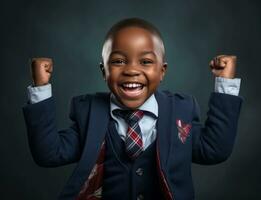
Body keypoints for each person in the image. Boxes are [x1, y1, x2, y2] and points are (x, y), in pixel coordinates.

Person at [22, 18, 243, 200]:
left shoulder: (180, 111)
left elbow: (214, 149)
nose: (132, 71)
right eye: (118, 61)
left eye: (145, 62)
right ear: (103, 70)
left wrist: (225, 83)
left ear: (162, 71)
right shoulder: (89, 113)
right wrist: (41, 87)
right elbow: (49, 154)